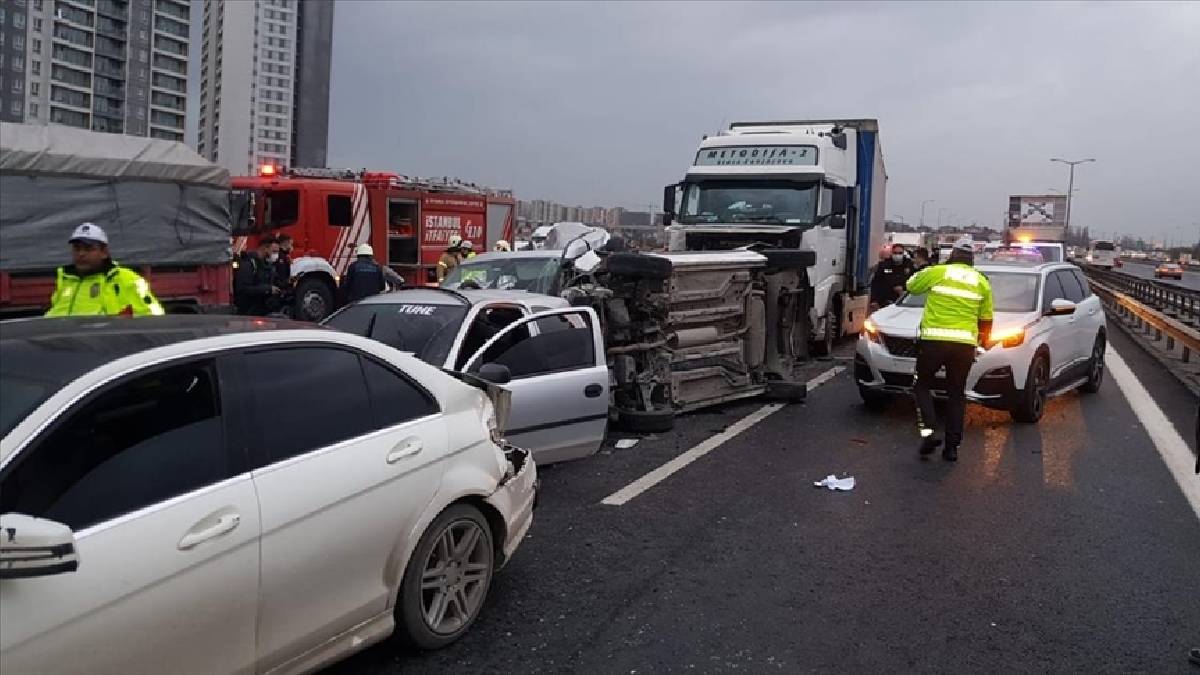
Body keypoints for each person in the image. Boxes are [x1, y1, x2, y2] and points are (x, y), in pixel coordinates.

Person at [904, 237, 993, 462]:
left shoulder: (939, 272)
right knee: (956, 394)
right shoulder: (981, 281)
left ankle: (929, 432)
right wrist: (982, 342)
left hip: (933, 342)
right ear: (972, 259)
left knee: (921, 385)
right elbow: (986, 318)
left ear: (952, 255)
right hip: (964, 346)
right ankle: (952, 448)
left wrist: (924, 270)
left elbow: (911, 286)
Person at [45, 223, 165, 317]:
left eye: (88, 249)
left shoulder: (126, 279)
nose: (81, 253)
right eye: (77, 249)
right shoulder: (66, 279)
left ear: (104, 252)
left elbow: (153, 317)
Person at [234, 235, 282, 316]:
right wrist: (268, 289)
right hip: (248, 312)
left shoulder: (268, 265)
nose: (276, 255)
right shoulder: (248, 264)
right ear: (265, 248)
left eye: (277, 252)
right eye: (274, 251)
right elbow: (243, 289)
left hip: (262, 311)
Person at [870, 243, 915, 311]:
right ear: (892, 253)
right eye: (895, 253)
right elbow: (876, 283)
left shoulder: (910, 265)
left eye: (900, 253)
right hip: (885, 301)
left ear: (903, 253)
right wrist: (873, 300)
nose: (897, 255)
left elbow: (915, 282)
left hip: (904, 303)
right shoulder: (884, 265)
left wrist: (903, 288)